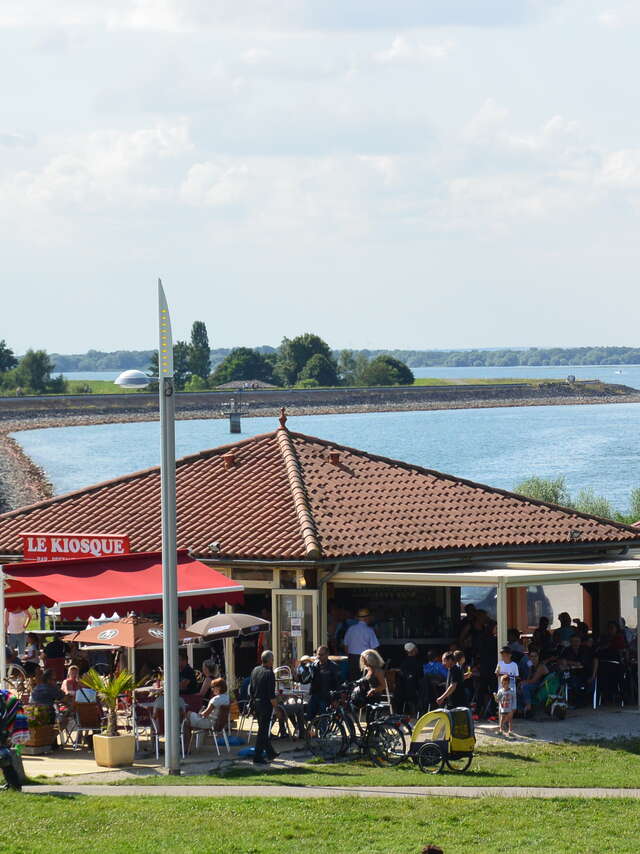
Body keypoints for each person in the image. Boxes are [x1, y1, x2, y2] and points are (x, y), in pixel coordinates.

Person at [249, 649, 278, 765]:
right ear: (270, 660)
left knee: (263, 730)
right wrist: (277, 708)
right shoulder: (269, 673)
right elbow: (271, 695)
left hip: (256, 703)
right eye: (273, 660)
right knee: (262, 732)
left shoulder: (255, 670)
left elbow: (251, 688)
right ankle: (257, 756)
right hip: (265, 704)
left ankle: (271, 753)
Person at [343, 609, 380, 680]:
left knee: (354, 681)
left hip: (352, 658)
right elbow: (374, 649)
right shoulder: (369, 630)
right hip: (365, 659)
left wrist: (350, 657)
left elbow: (346, 646)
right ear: (367, 618)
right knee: (365, 681)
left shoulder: (350, 629)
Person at [305, 646, 340, 719]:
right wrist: (305, 670)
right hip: (315, 695)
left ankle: (322, 730)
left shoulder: (333, 667)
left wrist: (335, 699)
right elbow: (306, 680)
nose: (319, 656)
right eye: (318, 654)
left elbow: (337, 684)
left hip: (327, 697)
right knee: (308, 715)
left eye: (321, 654)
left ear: (327, 654)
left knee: (323, 716)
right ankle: (311, 728)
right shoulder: (314, 665)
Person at [519, 649, 549, 715]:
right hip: (535, 684)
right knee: (519, 689)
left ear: (538, 657)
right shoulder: (531, 665)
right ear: (529, 658)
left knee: (525, 687)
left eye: (535, 656)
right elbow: (529, 678)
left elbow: (533, 680)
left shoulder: (541, 666)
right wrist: (522, 683)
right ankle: (521, 710)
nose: (533, 658)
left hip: (542, 686)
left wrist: (523, 683)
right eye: (532, 656)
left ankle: (528, 706)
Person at [396, 642, 422, 713]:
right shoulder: (417, 662)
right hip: (413, 691)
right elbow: (420, 676)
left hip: (402, 692)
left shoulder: (403, 662)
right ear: (413, 650)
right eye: (416, 648)